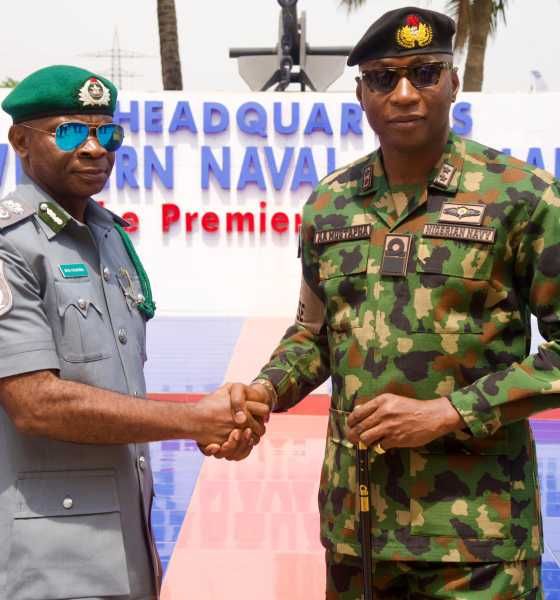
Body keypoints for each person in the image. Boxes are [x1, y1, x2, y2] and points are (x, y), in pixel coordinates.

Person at [209, 6, 560, 598]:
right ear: (361, 95)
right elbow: (315, 333)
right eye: (382, 78)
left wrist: (447, 413)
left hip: (477, 540)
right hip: (359, 530)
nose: (404, 94)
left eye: (424, 73)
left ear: (453, 82)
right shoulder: (331, 205)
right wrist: (265, 392)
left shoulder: (523, 198)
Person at [0, 65, 268, 600]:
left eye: (107, 133)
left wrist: (213, 424)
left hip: (126, 548)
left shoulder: (108, 236)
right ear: (21, 142)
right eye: (70, 132)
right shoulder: (11, 246)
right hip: (46, 562)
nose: (94, 148)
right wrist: (194, 420)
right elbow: (35, 403)